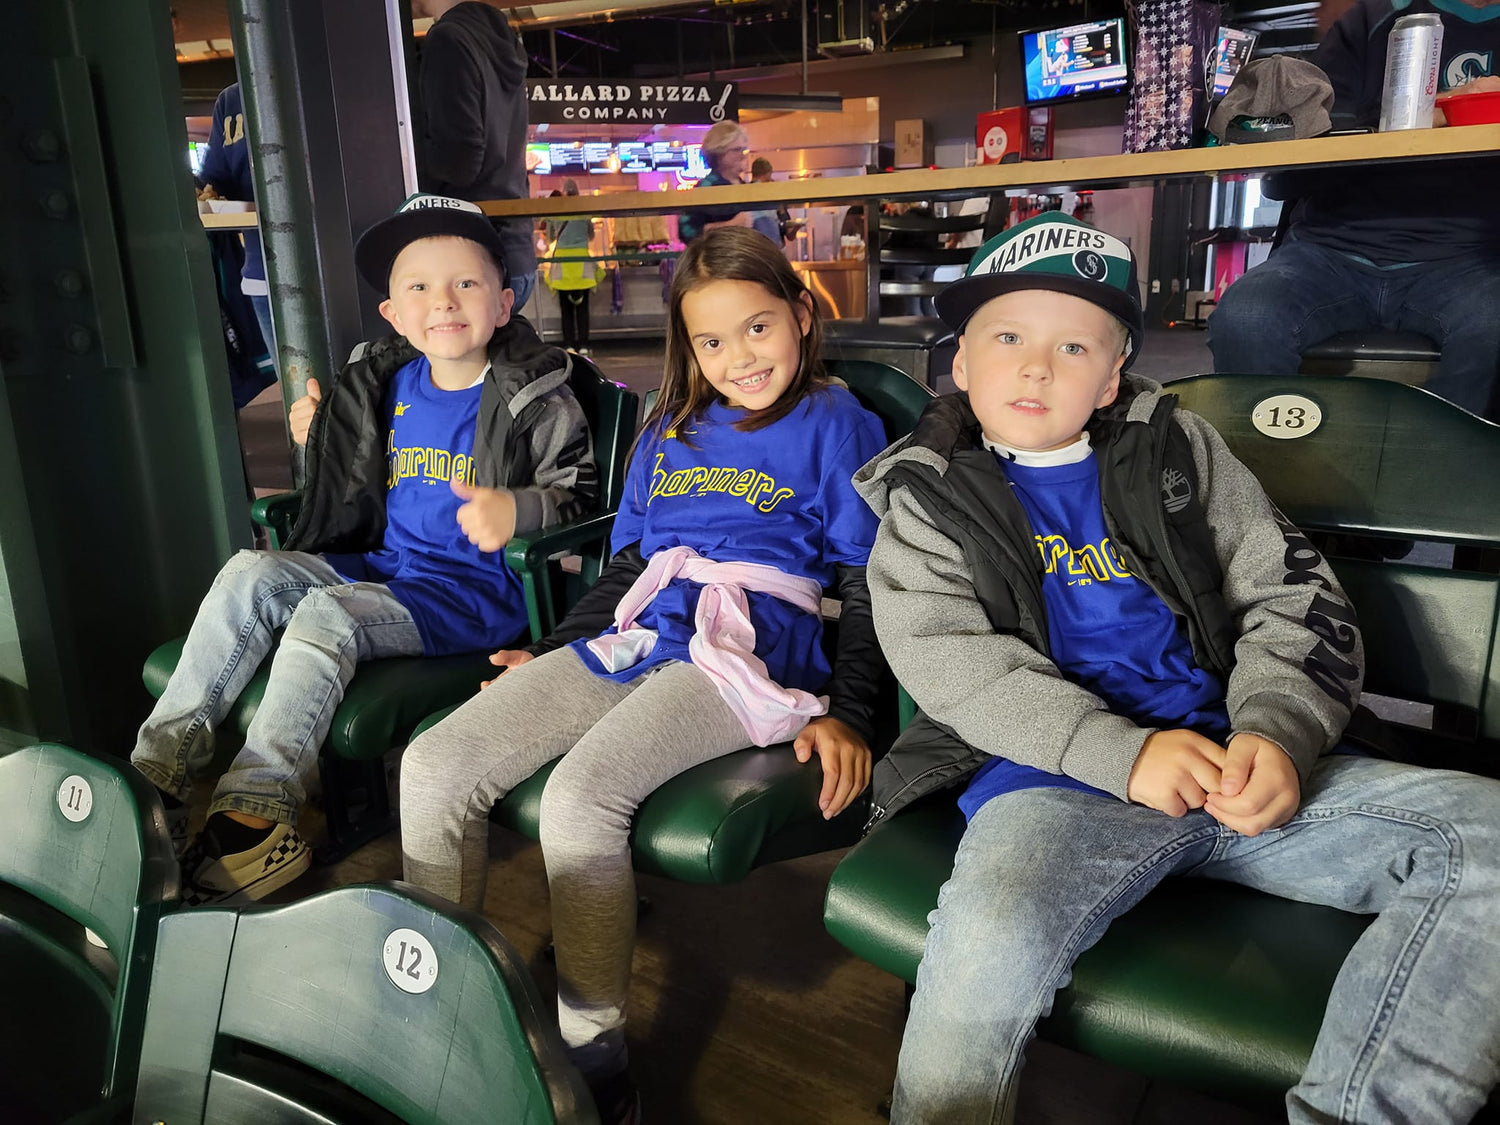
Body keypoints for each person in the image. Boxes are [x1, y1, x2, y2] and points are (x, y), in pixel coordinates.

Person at [853, 211, 1500, 1123]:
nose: (1036, 365)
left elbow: (1293, 599)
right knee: (986, 935)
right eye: (1006, 336)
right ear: (959, 364)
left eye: (1075, 344)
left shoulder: (1181, 450)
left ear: (1113, 375)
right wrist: (1122, 754)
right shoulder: (927, 496)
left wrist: (1277, 733)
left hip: (1240, 767)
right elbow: (954, 664)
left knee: (1489, 836)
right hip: (1055, 785)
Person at [400, 227, 888, 1123]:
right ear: (686, 346)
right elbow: (628, 568)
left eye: (758, 328)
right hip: (638, 627)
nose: (738, 356)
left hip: (752, 644)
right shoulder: (669, 427)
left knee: (584, 796)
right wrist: (552, 655)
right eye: (711, 340)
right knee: (436, 763)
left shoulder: (839, 421)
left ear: (802, 315)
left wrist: (854, 710)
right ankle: (438, 1011)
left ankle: (596, 1060)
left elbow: (865, 584)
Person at [130, 194, 598, 905]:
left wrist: (520, 507)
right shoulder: (381, 382)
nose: (443, 301)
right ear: (394, 315)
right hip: (386, 567)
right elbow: (345, 478)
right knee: (249, 570)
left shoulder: (535, 391)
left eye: (466, 283)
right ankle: (160, 771)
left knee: (327, 615)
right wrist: (318, 431)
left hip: (472, 596)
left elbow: (582, 498)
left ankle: (256, 813)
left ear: (504, 303)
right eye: (419, 287)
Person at [1207, 0, 1500, 420]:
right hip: (1331, 250)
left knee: (1492, 331)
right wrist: (1438, 112)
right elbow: (1320, 130)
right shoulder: (1372, 20)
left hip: (1467, 260)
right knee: (1246, 318)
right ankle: (1271, 472)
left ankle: (1439, 471)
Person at [412, 0, 538, 310]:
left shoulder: (449, 40)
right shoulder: (500, 41)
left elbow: (458, 162)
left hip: (470, 259)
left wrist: (400, 153)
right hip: (515, 254)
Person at [198, 81, 277, 395]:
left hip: (344, 262)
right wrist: (206, 195)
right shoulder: (230, 100)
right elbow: (216, 179)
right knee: (302, 400)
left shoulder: (326, 72)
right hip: (263, 277)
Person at [544, 179, 602, 355]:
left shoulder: (556, 212)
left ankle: (568, 345)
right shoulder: (584, 212)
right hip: (582, 262)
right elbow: (591, 235)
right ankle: (584, 345)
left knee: (566, 309)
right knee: (583, 309)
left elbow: (550, 237)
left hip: (562, 263)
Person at [677, 120, 753, 243]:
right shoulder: (707, 188)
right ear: (718, 153)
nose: (743, 155)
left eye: (745, 150)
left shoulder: (746, 186)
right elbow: (686, 231)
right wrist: (730, 225)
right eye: (737, 150)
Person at [746, 156, 795, 248]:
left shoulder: (742, 193)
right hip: (773, 248)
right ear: (768, 174)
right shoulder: (772, 196)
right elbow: (789, 234)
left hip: (754, 247)